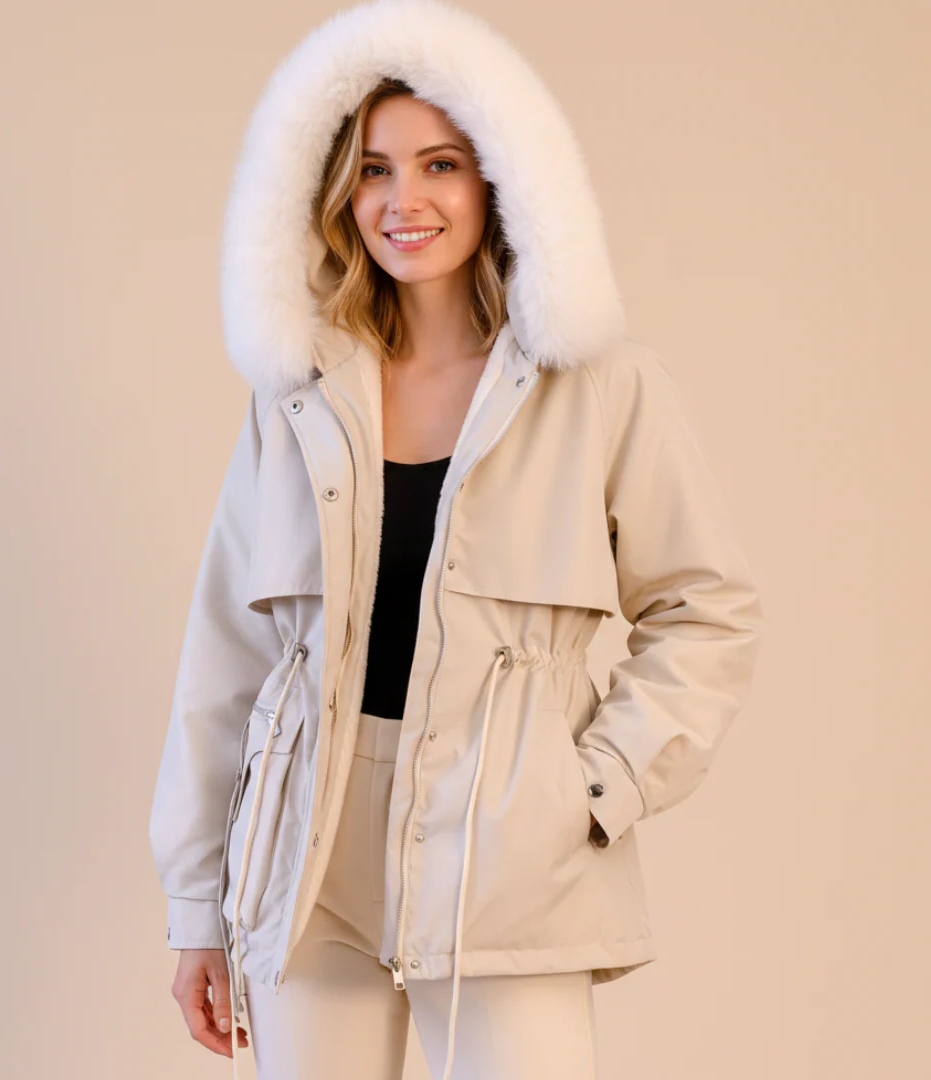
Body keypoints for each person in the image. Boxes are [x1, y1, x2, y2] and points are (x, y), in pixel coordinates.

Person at [149, 1, 765, 1078]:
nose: (405, 200)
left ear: (500, 181)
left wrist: (594, 787)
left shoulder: (599, 386)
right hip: (310, 849)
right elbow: (228, 655)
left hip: (507, 845)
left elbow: (706, 610)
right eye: (374, 170)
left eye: (440, 164)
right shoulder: (298, 395)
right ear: (339, 194)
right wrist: (199, 904)